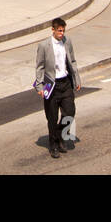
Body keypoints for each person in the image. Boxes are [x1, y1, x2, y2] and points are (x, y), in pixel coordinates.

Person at [34, 18, 82, 158]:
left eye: (63, 30)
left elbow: (72, 61)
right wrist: (40, 86)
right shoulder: (44, 46)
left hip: (65, 82)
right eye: (59, 31)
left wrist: (76, 79)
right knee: (52, 117)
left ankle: (61, 135)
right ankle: (53, 144)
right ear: (53, 30)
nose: (62, 33)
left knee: (70, 112)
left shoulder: (67, 42)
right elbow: (40, 67)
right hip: (51, 83)